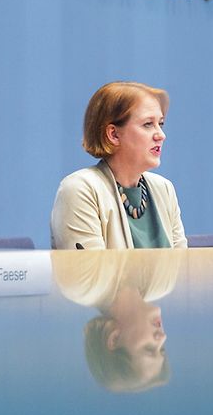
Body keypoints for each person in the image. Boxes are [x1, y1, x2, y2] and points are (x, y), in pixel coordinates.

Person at [50, 81, 187, 249]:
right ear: (113, 134)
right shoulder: (80, 190)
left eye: (161, 123)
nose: (161, 135)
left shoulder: (164, 189)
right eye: (148, 124)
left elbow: (182, 269)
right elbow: (92, 273)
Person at [52, 248, 183, 392]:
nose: (162, 337)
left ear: (114, 338)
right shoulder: (163, 281)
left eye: (149, 348)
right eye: (162, 349)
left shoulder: (81, 283)